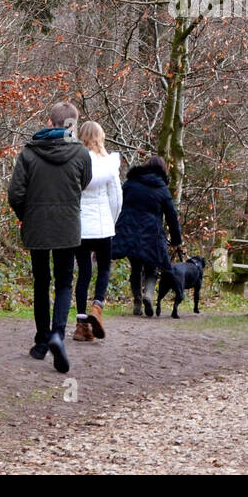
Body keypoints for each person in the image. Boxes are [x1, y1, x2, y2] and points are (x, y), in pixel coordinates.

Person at [7, 101, 92, 373]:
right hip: (67, 227)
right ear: (72, 124)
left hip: (38, 227)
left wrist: (28, 215)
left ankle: (42, 342)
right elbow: (84, 183)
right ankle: (57, 334)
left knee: (42, 283)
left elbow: (15, 194)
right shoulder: (81, 154)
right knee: (65, 283)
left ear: (49, 121)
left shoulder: (29, 153)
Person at [111, 155, 181, 318]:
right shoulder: (161, 188)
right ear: (163, 169)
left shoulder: (131, 183)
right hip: (152, 233)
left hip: (129, 231)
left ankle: (137, 301)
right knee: (152, 267)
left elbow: (117, 203)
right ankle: (148, 295)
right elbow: (172, 215)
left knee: (136, 267)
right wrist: (176, 240)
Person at [73, 121, 121, 342]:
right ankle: (97, 306)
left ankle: (81, 325)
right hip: (103, 225)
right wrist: (111, 222)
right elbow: (116, 198)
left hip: (81, 226)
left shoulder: (75, 162)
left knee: (83, 273)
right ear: (101, 137)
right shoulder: (109, 164)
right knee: (104, 268)